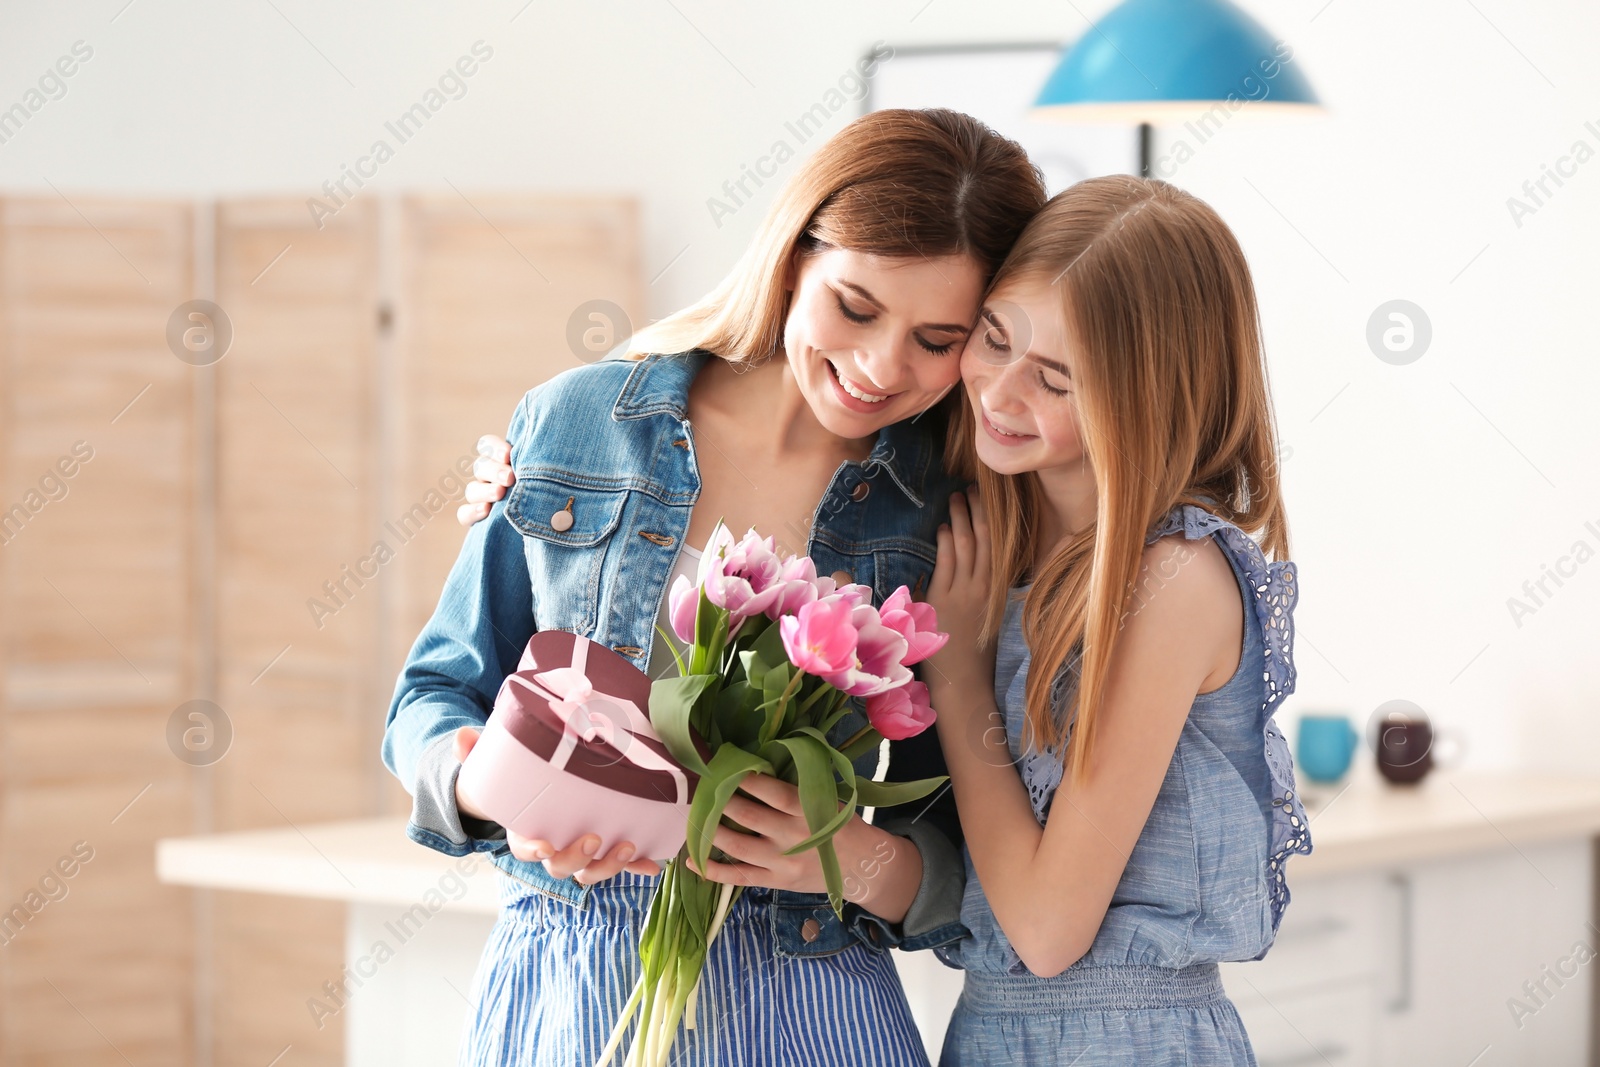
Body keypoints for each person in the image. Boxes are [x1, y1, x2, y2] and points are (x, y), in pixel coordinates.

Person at [383, 108, 1046, 1066]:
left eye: (935, 338)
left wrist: (843, 858)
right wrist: (495, 794)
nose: (879, 366)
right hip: (569, 997)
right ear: (791, 258)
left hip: (814, 1011)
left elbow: (971, 853)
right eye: (855, 308)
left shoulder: (952, 516)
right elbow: (429, 698)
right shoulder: (577, 424)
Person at [921, 175, 1309, 1065]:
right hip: (987, 1032)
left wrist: (959, 676)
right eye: (994, 337)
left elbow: (1050, 930)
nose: (1002, 391)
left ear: (1146, 397)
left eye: (1056, 378)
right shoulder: (999, 547)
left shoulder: (1172, 577)